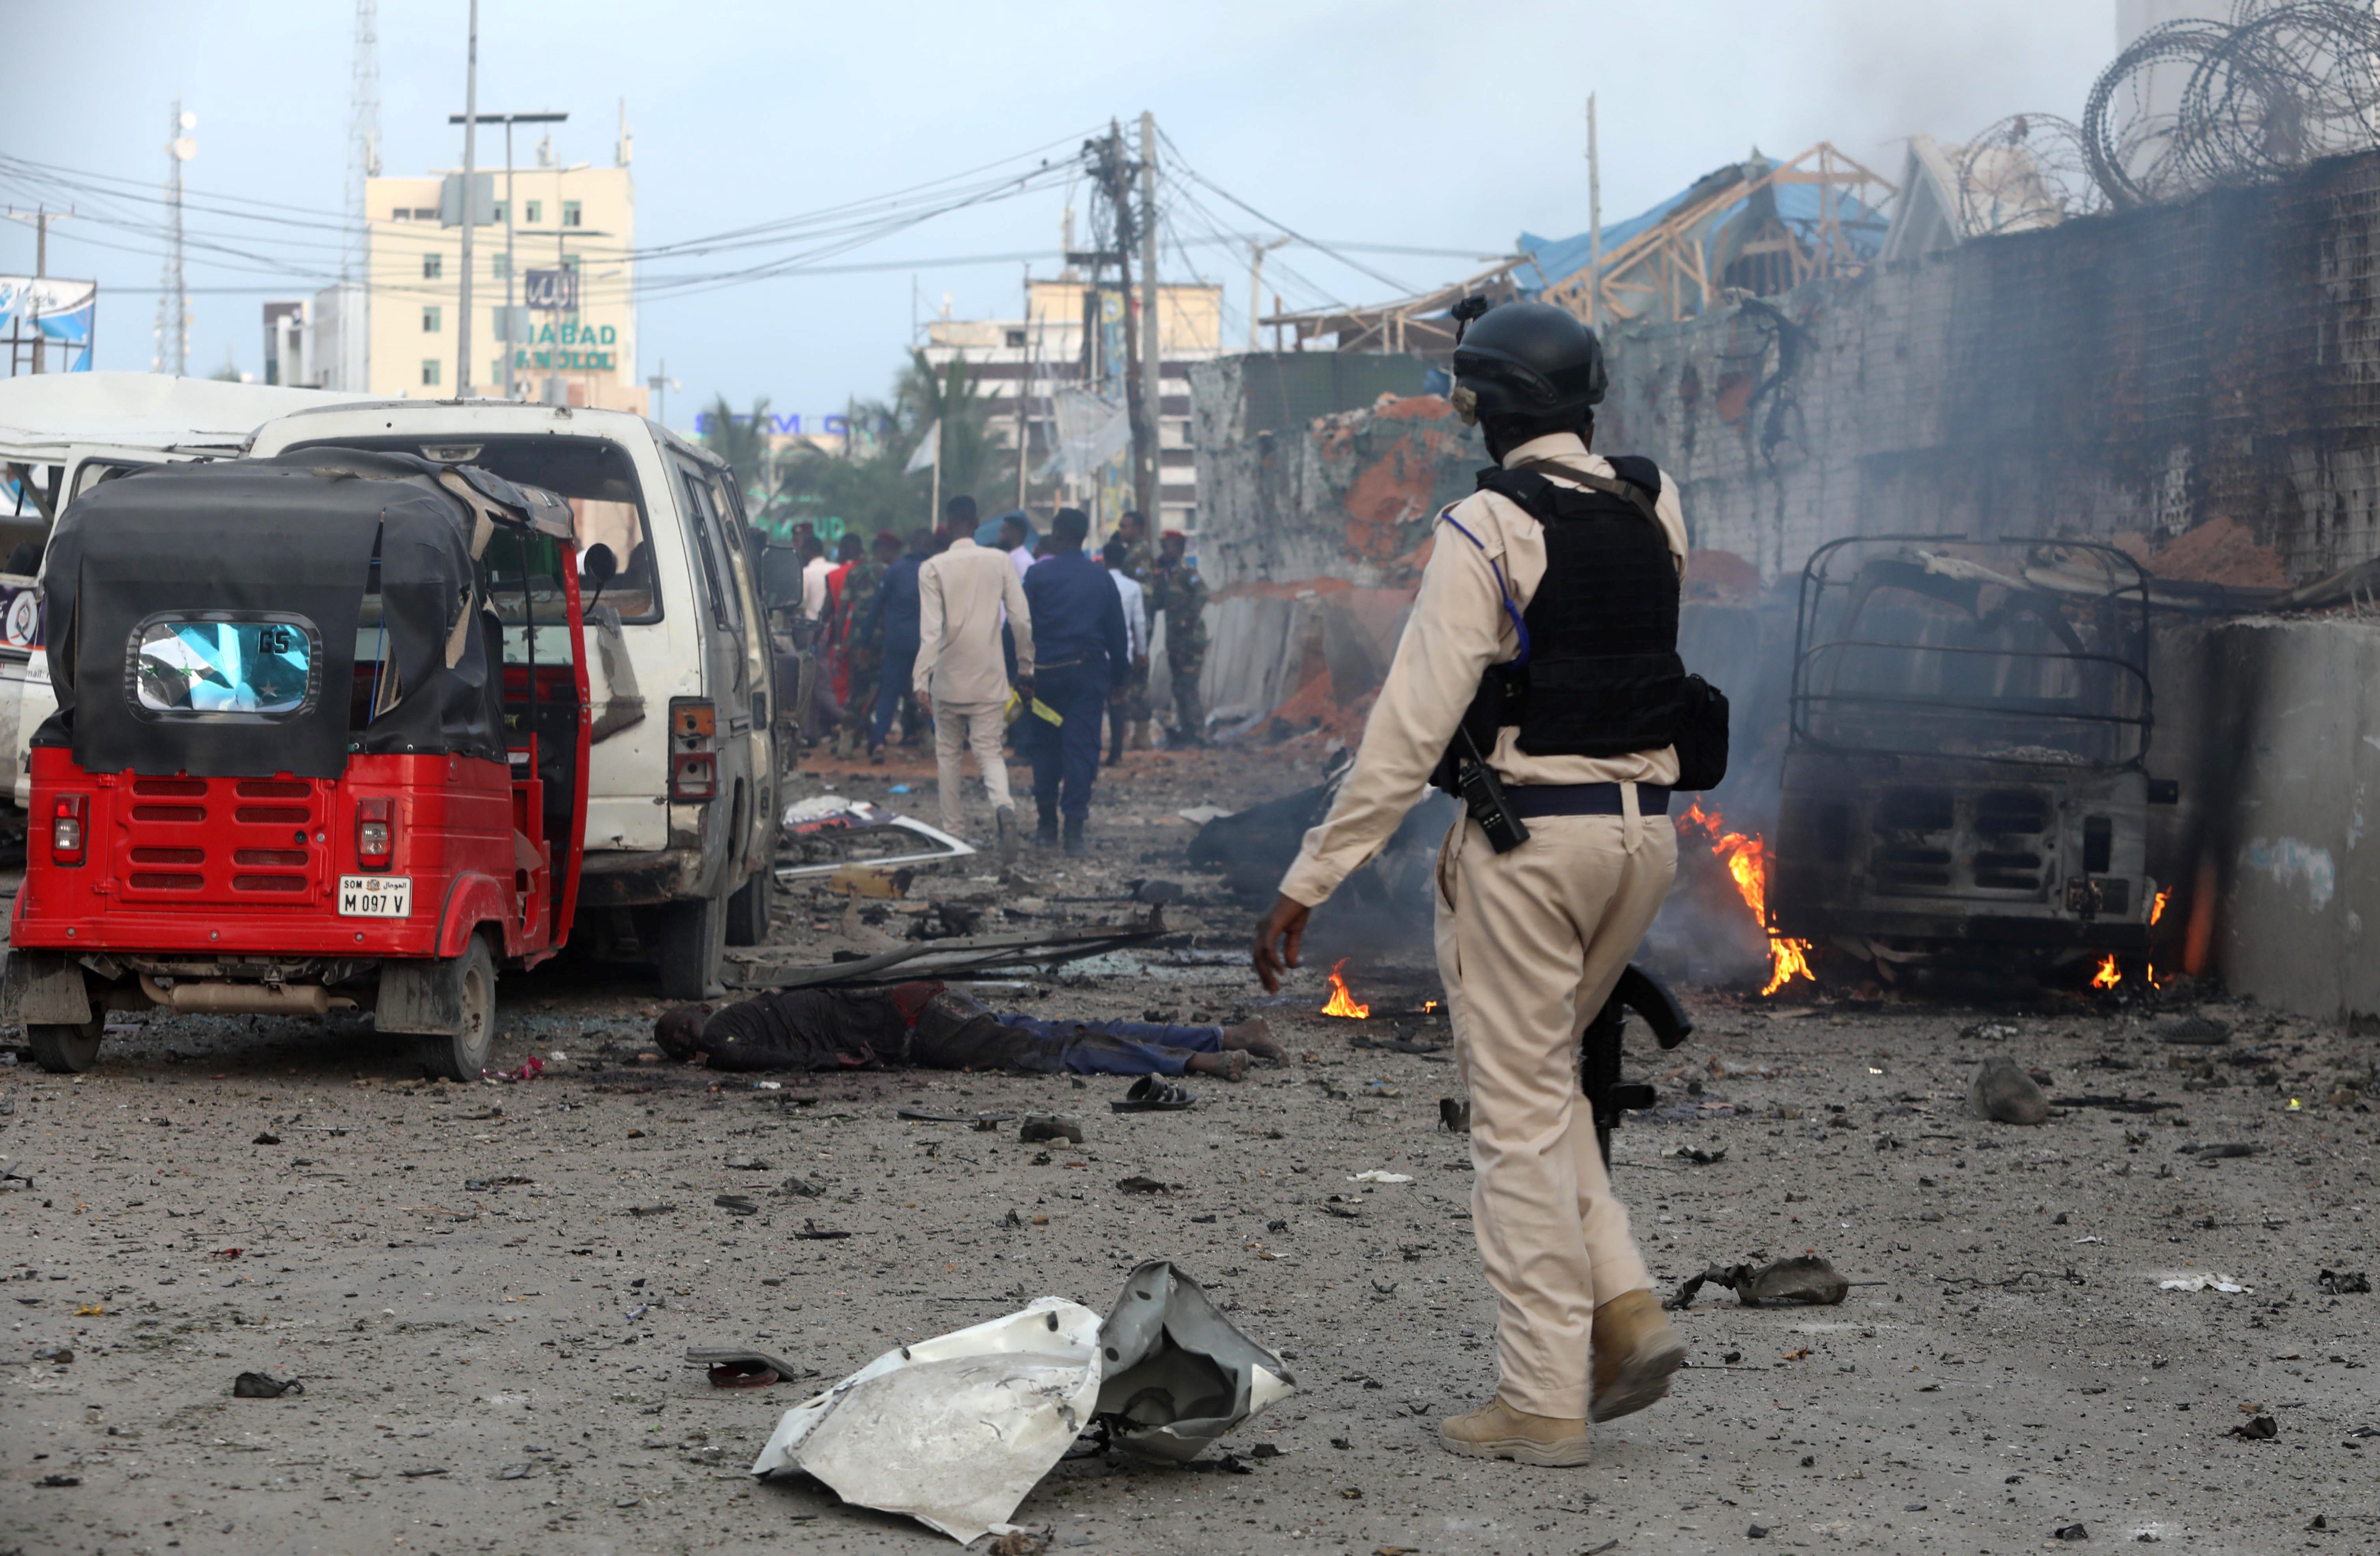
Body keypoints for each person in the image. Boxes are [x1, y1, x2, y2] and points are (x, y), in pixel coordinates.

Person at [1251, 300, 1692, 1468]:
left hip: (1529, 848)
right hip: (1644, 841)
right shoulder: (1652, 505)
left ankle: (1543, 1400)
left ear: (1486, 407)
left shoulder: (1487, 526)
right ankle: (1626, 1306)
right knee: (1547, 1088)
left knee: (1510, 1118)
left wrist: (1311, 879)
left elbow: (1407, 729)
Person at [656, 981, 1283, 1079]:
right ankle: (1226, 1035)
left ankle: (1192, 1064)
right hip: (927, 1000)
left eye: (681, 1037)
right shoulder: (762, 1002)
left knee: (1054, 1050)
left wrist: (830, 1065)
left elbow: (744, 1057)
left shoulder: (723, 1035)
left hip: (918, 1024)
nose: (692, 1046)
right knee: (1066, 1026)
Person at [916, 511, 1034, 862]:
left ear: (950, 527)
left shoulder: (932, 567)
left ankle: (954, 838)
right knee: (989, 751)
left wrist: (920, 679)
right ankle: (1004, 806)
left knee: (948, 756)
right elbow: (1021, 619)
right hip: (990, 679)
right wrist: (1026, 667)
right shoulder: (999, 561)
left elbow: (931, 631)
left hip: (949, 681)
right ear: (979, 523)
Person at [1019, 507, 1129, 855]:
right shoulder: (1101, 578)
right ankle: (1074, 833)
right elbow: (1117, 635)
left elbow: (1019, 628)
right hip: (1086, 682)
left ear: (1056, 532)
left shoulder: (1038, 575)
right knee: (1081, 749)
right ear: (1082, 536)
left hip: (1044, 685)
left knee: (1046, 746)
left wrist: (1016, 673)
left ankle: (1046, 826)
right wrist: (1120, 678)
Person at [869, 529, 933, 759]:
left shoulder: (894, 571)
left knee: (889, 694)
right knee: (926, 693)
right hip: (926, 645)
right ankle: (929, 741)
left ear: (910, 546)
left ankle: (879, 742)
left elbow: (876, 607)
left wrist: (867, 640)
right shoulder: (935, 571)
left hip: (897, 643)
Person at [836, 531, 900, 759]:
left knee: (858, 692)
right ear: (885, 551)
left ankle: (846, 742)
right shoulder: (891, 573)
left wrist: (838, 643)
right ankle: (873, 735)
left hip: (859, 641)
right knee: (885, 690)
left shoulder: (854, 574)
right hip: (885, 641)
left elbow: (843, 610)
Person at [1145, 530, 1209, 746]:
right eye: (1163, 546)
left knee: (1189, 687)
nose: (1165, 550)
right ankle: (1186, 731)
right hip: (1175, 639)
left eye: (1170, 546)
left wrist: (1190, 617)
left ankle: (1199, 734)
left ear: (1180, 548)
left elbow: (1203, 593)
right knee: (1179, 687)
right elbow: (1158, 601)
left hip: (1191, 638)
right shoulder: (1166, 574)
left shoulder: (1186, 571)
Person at [1101, 535, 1150, 763]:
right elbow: (1139, 623)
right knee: (1118, 701)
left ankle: (1091, 749)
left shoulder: (1096, 583)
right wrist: (1142, 653)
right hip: (1123, 654)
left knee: (1093, 703)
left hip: (1096, 653)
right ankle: (1116, 751)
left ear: (1105, 559)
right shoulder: (1133, 587)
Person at [995, 511, 1038, 580]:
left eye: (1003, 531)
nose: (999, 536)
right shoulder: (1012, 558)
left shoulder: (1023, 563)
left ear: (1014, 534)